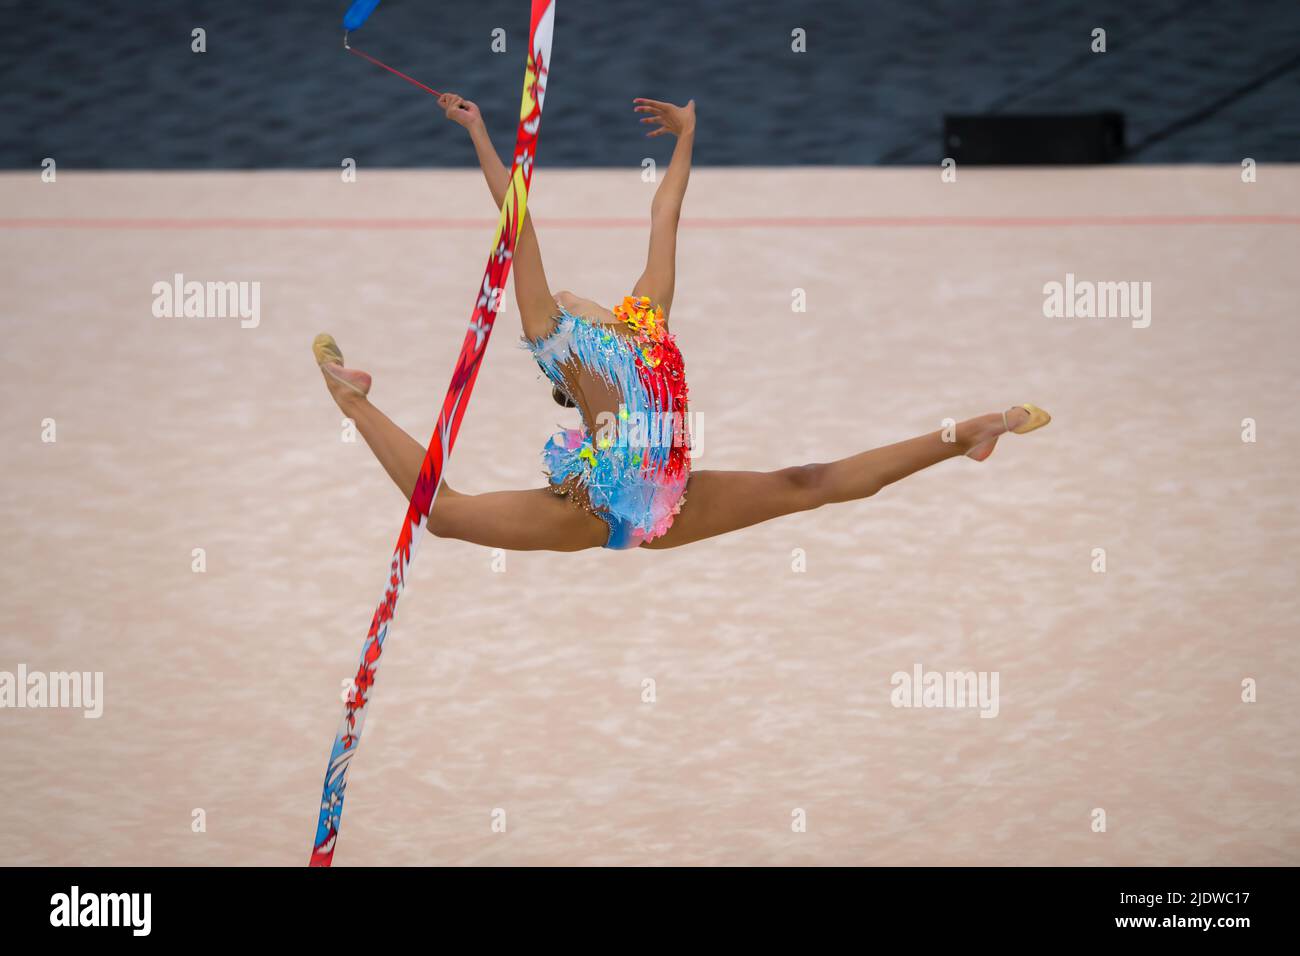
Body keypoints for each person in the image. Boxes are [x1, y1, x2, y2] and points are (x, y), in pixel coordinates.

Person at [312, 94, 1050, 552]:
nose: (568, 292)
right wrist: (477, 133)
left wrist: (687, 135)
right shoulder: (554, 337)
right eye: (564, 296)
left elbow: (664, 212)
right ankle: (354, 399)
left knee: (809, 481)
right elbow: (518, 224)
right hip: (599, 506)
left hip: (671, 496)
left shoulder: (643, 319)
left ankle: (970, 435)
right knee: (443, 515)